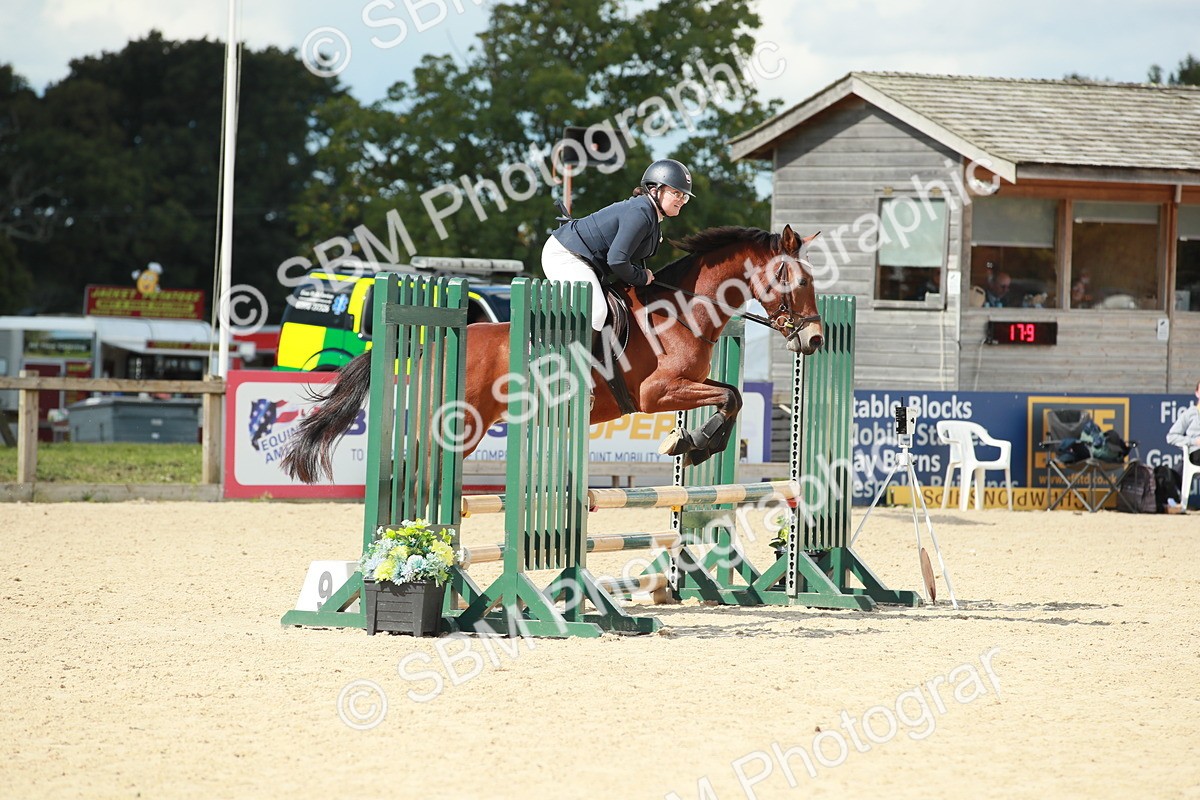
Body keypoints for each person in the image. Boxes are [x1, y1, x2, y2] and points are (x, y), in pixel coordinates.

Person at [542, 159, 693, 335]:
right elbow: (617, 260)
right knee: (597, 312)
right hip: (565, 254)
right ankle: (555, 354)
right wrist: (641, 277)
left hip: (584, 259)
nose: (681, 200)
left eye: (685, 196)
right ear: (655, 190)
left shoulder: (650, 215)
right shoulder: (641, 214)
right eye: (676, 193)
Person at [1167, 378, 1200, 467]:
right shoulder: (1190, 413)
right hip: (1196, 453)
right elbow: (1171, 437)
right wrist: (1194, 441)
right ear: (1197, 393)